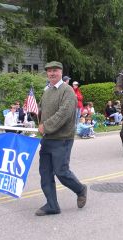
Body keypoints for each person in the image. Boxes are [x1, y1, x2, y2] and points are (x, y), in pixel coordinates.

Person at [36, 61, 87, 216]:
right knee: (45, 173)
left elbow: (64, 113)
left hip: (62, 139)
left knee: (61, 172)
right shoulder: (47, 90)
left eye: (55, 71)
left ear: (60, 72)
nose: (52, 73)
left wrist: (46, 125)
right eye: (49, 71)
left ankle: (80, 189)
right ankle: (52, 205)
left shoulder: (68, 91)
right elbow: (41, 109)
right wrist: (38, 120)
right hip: (47, 138)